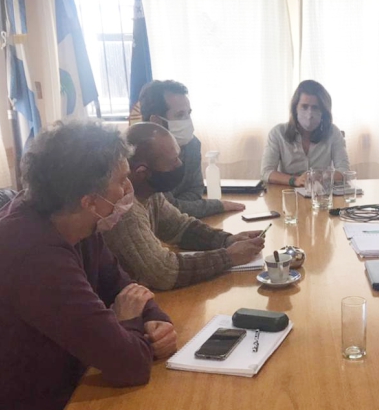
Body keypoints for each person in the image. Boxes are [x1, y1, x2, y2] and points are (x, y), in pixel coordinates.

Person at [0, 121, 176, 410]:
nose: (127, 190)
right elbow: (129, 365)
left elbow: (122, 285)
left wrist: (155, 320)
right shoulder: (32, 254)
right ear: (89, 200)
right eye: (121, 181)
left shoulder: (75, 223)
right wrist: (130, 323)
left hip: (69, 396)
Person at [103, 122, 265, 291]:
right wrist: (229, 256)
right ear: (142, 172)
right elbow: (164, 272)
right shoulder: (124, 212)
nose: (179, 164)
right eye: (173, 161)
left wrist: (227, 240)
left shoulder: (150, 193)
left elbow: (181, 227)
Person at [139, 79, 244, 217]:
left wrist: (183, 206)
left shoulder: (192, 144)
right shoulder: (141, 156)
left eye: (189, 113)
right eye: (180, 115)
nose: (188, 120)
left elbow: (195, 190)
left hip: (175, 225)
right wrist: (218, 206)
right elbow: (166, 209)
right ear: (156, 121)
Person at [261, 80, 350, 187]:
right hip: (287, 195)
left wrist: (324, 176)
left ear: (323, 112)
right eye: (304, 106)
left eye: (315, 107)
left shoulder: (333, 132)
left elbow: (345, 171)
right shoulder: (278, 133)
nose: (309, 114)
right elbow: (266, 172)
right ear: (295, 108)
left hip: (320, 196)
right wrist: (295, 180)